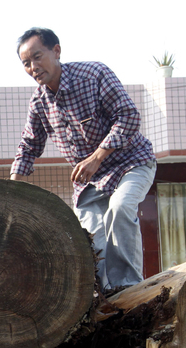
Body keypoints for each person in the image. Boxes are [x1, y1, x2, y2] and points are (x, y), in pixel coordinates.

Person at [9, 27, 156, 291]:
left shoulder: (94, 74)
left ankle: (129, 288)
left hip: (131, 163)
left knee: (120, 209)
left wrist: (97, 157)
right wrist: (12, 189)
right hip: (90, 183)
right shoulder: (39, 104)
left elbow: (129, 116)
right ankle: (99, 297)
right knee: (89, 240)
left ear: (57, 51)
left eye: (37, 56)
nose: (33, 67)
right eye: (26, 63)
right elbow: (28, 146)